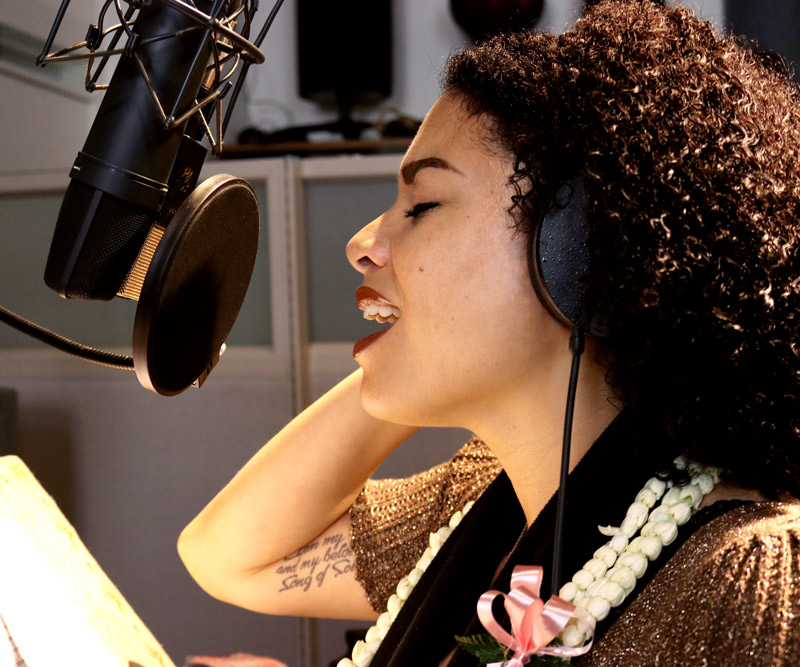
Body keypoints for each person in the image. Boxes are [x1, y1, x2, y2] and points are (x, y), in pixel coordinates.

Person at [177, 1, 800, 664]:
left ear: (579, 255)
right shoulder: (496, 494)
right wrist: (412, 354)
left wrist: (422, 347)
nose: (364, 243)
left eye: (421, 205)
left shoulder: (746, 578)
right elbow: (229, 556)